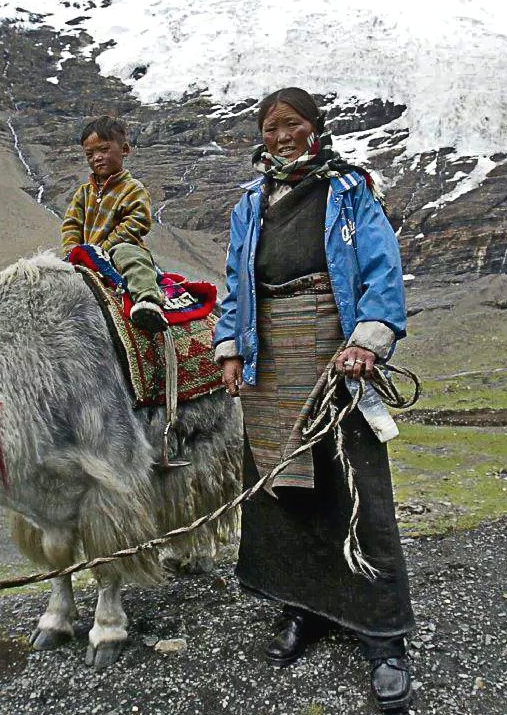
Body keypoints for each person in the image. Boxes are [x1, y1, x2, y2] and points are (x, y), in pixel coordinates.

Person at [213, 88, 415, 713]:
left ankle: (383, 637)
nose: (281, 136)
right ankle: (308, 609)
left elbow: (382, 270)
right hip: (269, 363)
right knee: (285, 489)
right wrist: (228, 348)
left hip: (334, 357)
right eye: (270, 127)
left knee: (355, 492)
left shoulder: (350, 191)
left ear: (315, 129)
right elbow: (235, 282)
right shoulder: (251, 204)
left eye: (292, 124)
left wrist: (366, 342)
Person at [61, 115, 167, 333]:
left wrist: (104, 248)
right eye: (90, 154)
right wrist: (73, 250)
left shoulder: (133, 188)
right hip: (87, 255)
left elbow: (137, 221)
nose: (97, 158)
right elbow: (71, 224)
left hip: (120, 248)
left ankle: (148, 301)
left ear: (125, 149)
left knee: (130, 256)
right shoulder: (83, 193)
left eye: (104, 150)